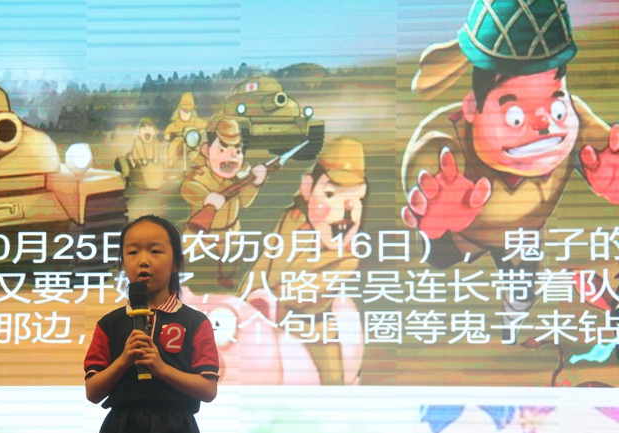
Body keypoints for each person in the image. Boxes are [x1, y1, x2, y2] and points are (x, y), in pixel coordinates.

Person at [401, 0, 619, 340]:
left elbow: (605, 148)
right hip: (465, 237)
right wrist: (438, 208)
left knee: (524, 291)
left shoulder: (576, 122)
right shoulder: (450, 137)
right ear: (472, 108)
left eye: (556, 104)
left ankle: (513, 333)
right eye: (515, 115)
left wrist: (611, 171)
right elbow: (428, 152)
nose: (544, 125)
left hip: (524, 237)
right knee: (444, 261)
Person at [83, 215, 220, 433]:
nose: (143, 260)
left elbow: (208, 389)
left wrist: (161, 368)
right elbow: (93, 391)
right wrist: (123, 361)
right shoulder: (110, 324)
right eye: (132, 252)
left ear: (176, 263)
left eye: (155, 251)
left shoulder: (194, 322)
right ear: (123, 262)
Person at [242, 137, 367, 385]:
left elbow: (307, 289)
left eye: (357, 200)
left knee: (332, 385)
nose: (346, 211)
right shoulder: (291, 219)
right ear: (308, 189)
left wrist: (270, 301)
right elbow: (265, 263)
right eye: (331, 194)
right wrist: (243, 301)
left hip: (314, 332)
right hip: (265, 319)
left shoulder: (348, 255)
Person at [180, 118, 268, 287]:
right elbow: (187, 189)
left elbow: (244, 202)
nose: (231, 156)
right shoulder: (201, 174)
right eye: (222, 149)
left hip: (229, 233)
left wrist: (255, 183)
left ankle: (226, 280)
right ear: (206, 150)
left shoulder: (240, 177)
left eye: (237, 150)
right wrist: (207, 198)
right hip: (200, 234)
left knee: (232, 267)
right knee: (179, 259)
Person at [164, 92, 208, 167]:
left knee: (198, 149)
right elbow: (167, 132)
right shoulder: (175, 123)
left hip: (193, 141)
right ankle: (170, 162)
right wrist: (169, 135)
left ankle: (201, 162)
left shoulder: (196, 121)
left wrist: (203, 130)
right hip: (179, 141)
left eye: (188, 111)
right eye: (184, 110)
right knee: (173, 146)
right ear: (178, 111)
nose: (186, 112)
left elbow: (205, 125)